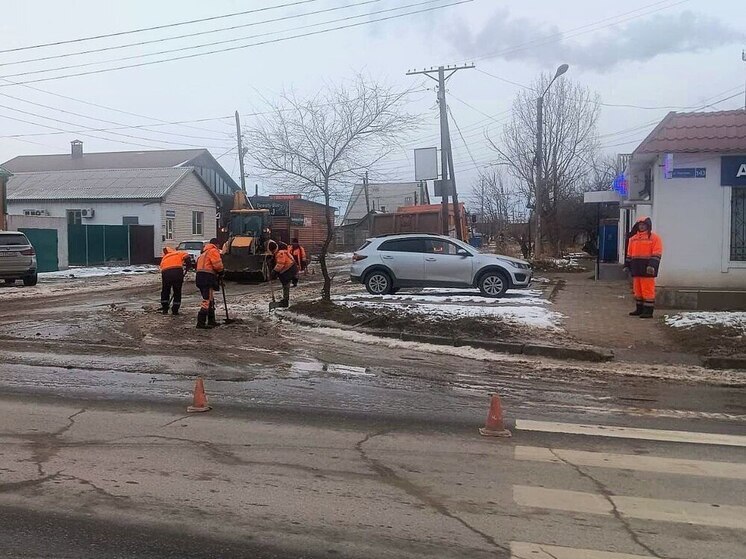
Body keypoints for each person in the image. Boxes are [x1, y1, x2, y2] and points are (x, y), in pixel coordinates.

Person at [625, 216, 663, 319]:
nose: (641, 227)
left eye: (643, 225)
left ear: (648, 226)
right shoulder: (633, 239)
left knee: (647, 290)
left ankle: (648, 311)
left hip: (648, 268)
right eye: (640, 225)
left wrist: (652, 266)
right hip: (636, 268)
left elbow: (657, 253)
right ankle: (639, 309)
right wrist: (627, 265)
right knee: (637, 290)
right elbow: (629, 254)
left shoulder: (654, 238)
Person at [195, 238, 224, 329]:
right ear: (216, 244)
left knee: (210, 299)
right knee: (207, 300)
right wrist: (221, 271)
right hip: (207, 277)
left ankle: (211, 321)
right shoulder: (213, 251)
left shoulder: (203, 253)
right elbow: (217, 264)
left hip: (200, 277)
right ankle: (201, 322)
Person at [159, 246, 191, 315]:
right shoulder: (178, 253)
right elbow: (187, 257)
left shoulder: (164, 258)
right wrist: (188, 266)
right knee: (177, 291)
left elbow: (161, 267)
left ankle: (165, 308)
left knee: (165, 290)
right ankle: (175, 310)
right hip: (177, 271)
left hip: (166, 272)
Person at [269, 241, 297, 309]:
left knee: (285, 283)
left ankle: (285, 301)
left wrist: (274, 271)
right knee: (285, 282)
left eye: (272, 251)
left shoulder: (280, 253)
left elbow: (280, 264)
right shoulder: (281, 251)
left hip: (289, 268)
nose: (272, 252)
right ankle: (285, 300)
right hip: (291, 268)